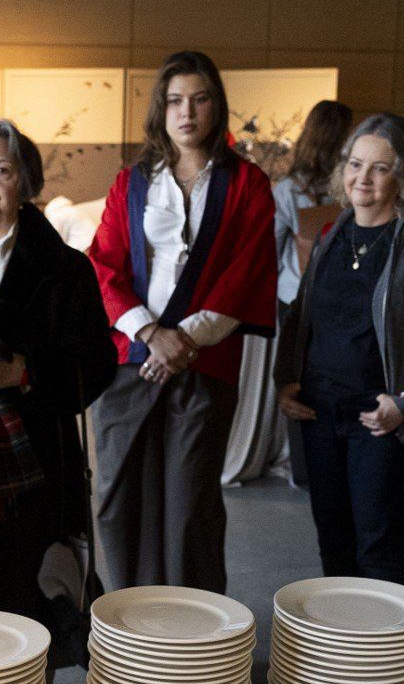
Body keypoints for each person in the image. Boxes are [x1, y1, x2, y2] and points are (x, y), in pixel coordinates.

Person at [86, 50, 278, 593]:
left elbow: (247, 273)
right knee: (119, 497)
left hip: (205, 358)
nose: (186, 112)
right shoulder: (132, 183)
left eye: (199, 99)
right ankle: (130, 623)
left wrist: (183, 341)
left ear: (217, 106)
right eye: (174, 101)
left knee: (188, 503)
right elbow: (103, 263)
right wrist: (150, 333)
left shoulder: (248, 184)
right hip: (131, 360)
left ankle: (192, 638)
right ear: (160, 110)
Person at [0, 117, 117, 640]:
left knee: (22, 612)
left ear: (25, 183)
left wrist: (23, 372)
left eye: (2, 169)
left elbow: (97, 365)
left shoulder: (64, 269)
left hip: (32, 466)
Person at [274, 113, 404, 584]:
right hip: (320, 413)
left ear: (401, 175)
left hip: (382, 420)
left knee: (378, 546)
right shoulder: (331, 232)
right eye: (355, 164)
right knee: (333, 544)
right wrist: (285, 381)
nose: (362, 178)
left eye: (380, 168)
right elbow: (302, 314)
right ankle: (344, 653)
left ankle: (391, 656)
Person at [268, 99, 355, 487]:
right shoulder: (351, 187)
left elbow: (270, 251)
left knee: (295, 377)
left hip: (295, 297)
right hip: (345, 296)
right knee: (336, 372)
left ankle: (298, 460)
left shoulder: (286, 190)